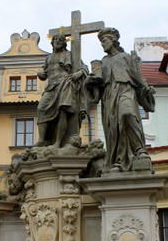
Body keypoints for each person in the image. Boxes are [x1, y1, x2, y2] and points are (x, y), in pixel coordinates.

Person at [85, 27, 155, 173]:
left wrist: (146, 90)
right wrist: (91, 82)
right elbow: (96, 86)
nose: (103, 45)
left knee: (128, 114)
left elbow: (138, 79)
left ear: (113, 41)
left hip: (125, 90)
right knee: (114, 129)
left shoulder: (126, 57)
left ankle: (139, 151)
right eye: (101, 42)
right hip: (109, 96)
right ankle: (119, 161)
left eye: (104, 41)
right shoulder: (103, 62)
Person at [37, 33, 88, 148]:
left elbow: (85, 68)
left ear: (64, 43)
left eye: (61, 40)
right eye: (56, 40)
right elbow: (45, 74)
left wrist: (79, 73)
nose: (58, 42)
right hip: (51, 87)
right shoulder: (48, 58)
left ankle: (58, 142)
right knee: (41, 108)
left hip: (65, 83)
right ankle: (41, 140)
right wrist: (41, 75)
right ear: (52, 42)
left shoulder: (69, 54)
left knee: (62, 113)